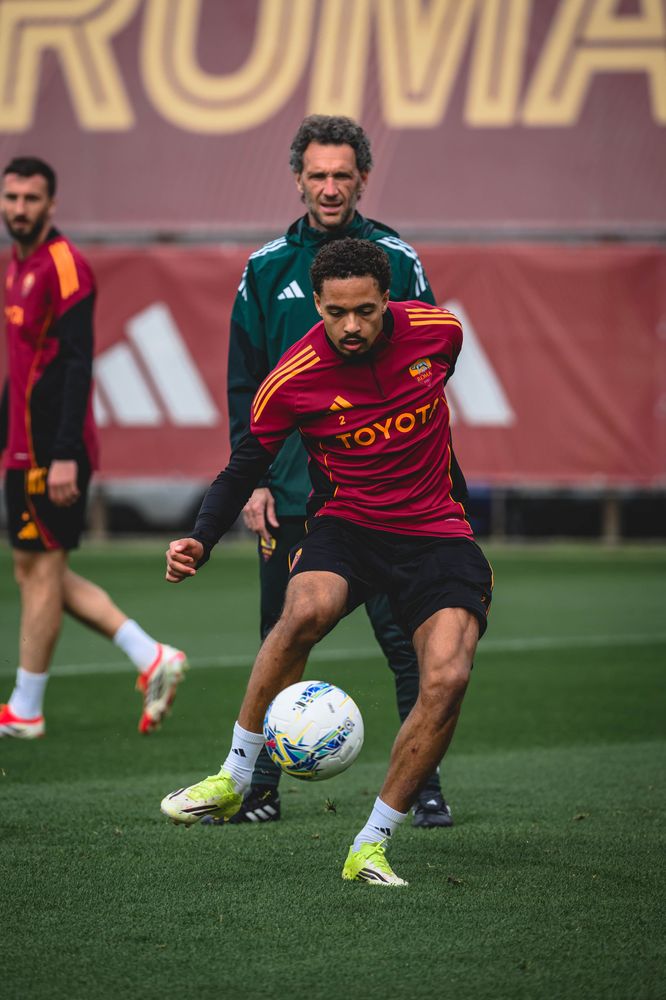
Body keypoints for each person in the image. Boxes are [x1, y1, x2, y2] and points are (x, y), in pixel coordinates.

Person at [161, 239, 493, 886]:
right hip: (348, 525)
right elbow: (242, 468)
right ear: (317, 303)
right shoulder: (292, 378)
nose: (350, 326)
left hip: (436, 532)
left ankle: (371, 843)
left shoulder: (441, 334)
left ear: (387, 298)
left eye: (365, 311)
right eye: (335, 312)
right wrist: (201, 537)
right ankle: (236, 776)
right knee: (305, 609)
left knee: (448, 677)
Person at [222, 114, 452, 828]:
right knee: (282, 634)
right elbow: (244, 381)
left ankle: (423, 785)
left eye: (341, 175)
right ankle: (257, 786)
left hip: (384, 493)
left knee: (407, 638)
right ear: (298, 179)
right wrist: (254, 478)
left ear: (361, 179)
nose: (328, 187)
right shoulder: (264, 269)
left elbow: (422, 373)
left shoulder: (398, 260)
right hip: (290, 490)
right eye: (316, 174)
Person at [0, 156, 188, 739]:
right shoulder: (16, 265)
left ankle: (25, 709)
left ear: (51, 204)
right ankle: (151, 656)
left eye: (31, 198)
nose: (19, 208)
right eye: (11, 197)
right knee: (35, 569)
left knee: (42, 571)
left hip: (52, 452)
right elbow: (25, 369)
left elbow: (78, 363)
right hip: (22, 447)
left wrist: (62, 454)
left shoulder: (64, 265)